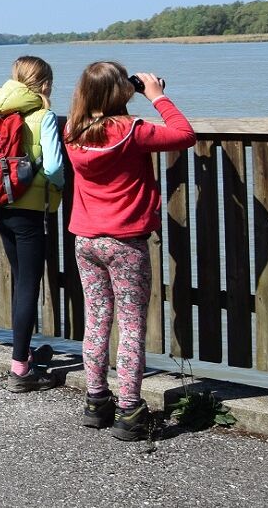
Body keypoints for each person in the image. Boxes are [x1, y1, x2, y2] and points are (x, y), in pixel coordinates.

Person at [65, 62, 196, 441]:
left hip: (86, 241)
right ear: (121, 91)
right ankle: (129, 410)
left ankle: (95, 401)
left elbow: (100, 121)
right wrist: (156, 95)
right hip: (125, 242)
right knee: (132, 325)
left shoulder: (73, 130)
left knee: (97, 320)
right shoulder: (133, 131)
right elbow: (184, 135)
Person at [0, 56, 64, 392]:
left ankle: (25, 352)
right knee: (29, 286)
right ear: (44, 83)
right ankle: (20, 369)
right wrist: (58, 190)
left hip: (0, 206)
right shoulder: (43, 116)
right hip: (31, 212)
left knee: (20, 281)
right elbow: (55, 167)